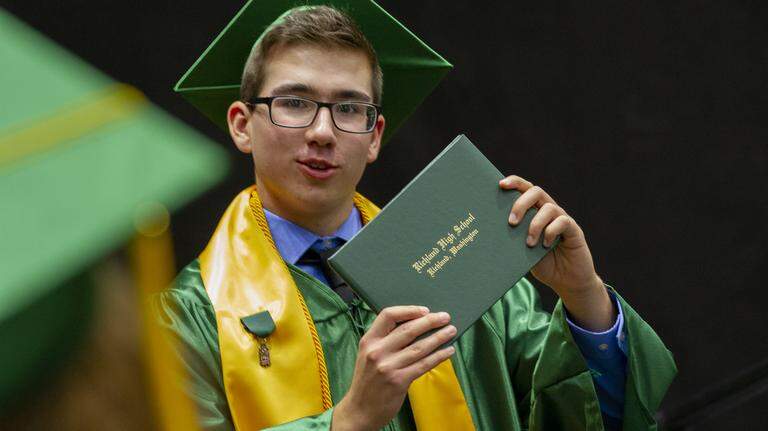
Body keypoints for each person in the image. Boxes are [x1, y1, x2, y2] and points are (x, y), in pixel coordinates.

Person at [156, 2, 676, 430]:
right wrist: (350, 421)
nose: (322, 132)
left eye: (348, 108)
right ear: (243, 125)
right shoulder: (188, 320)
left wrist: (584, 297)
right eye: (295, 102)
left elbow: (586, 418)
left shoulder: (459, 258)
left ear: (375, 135)